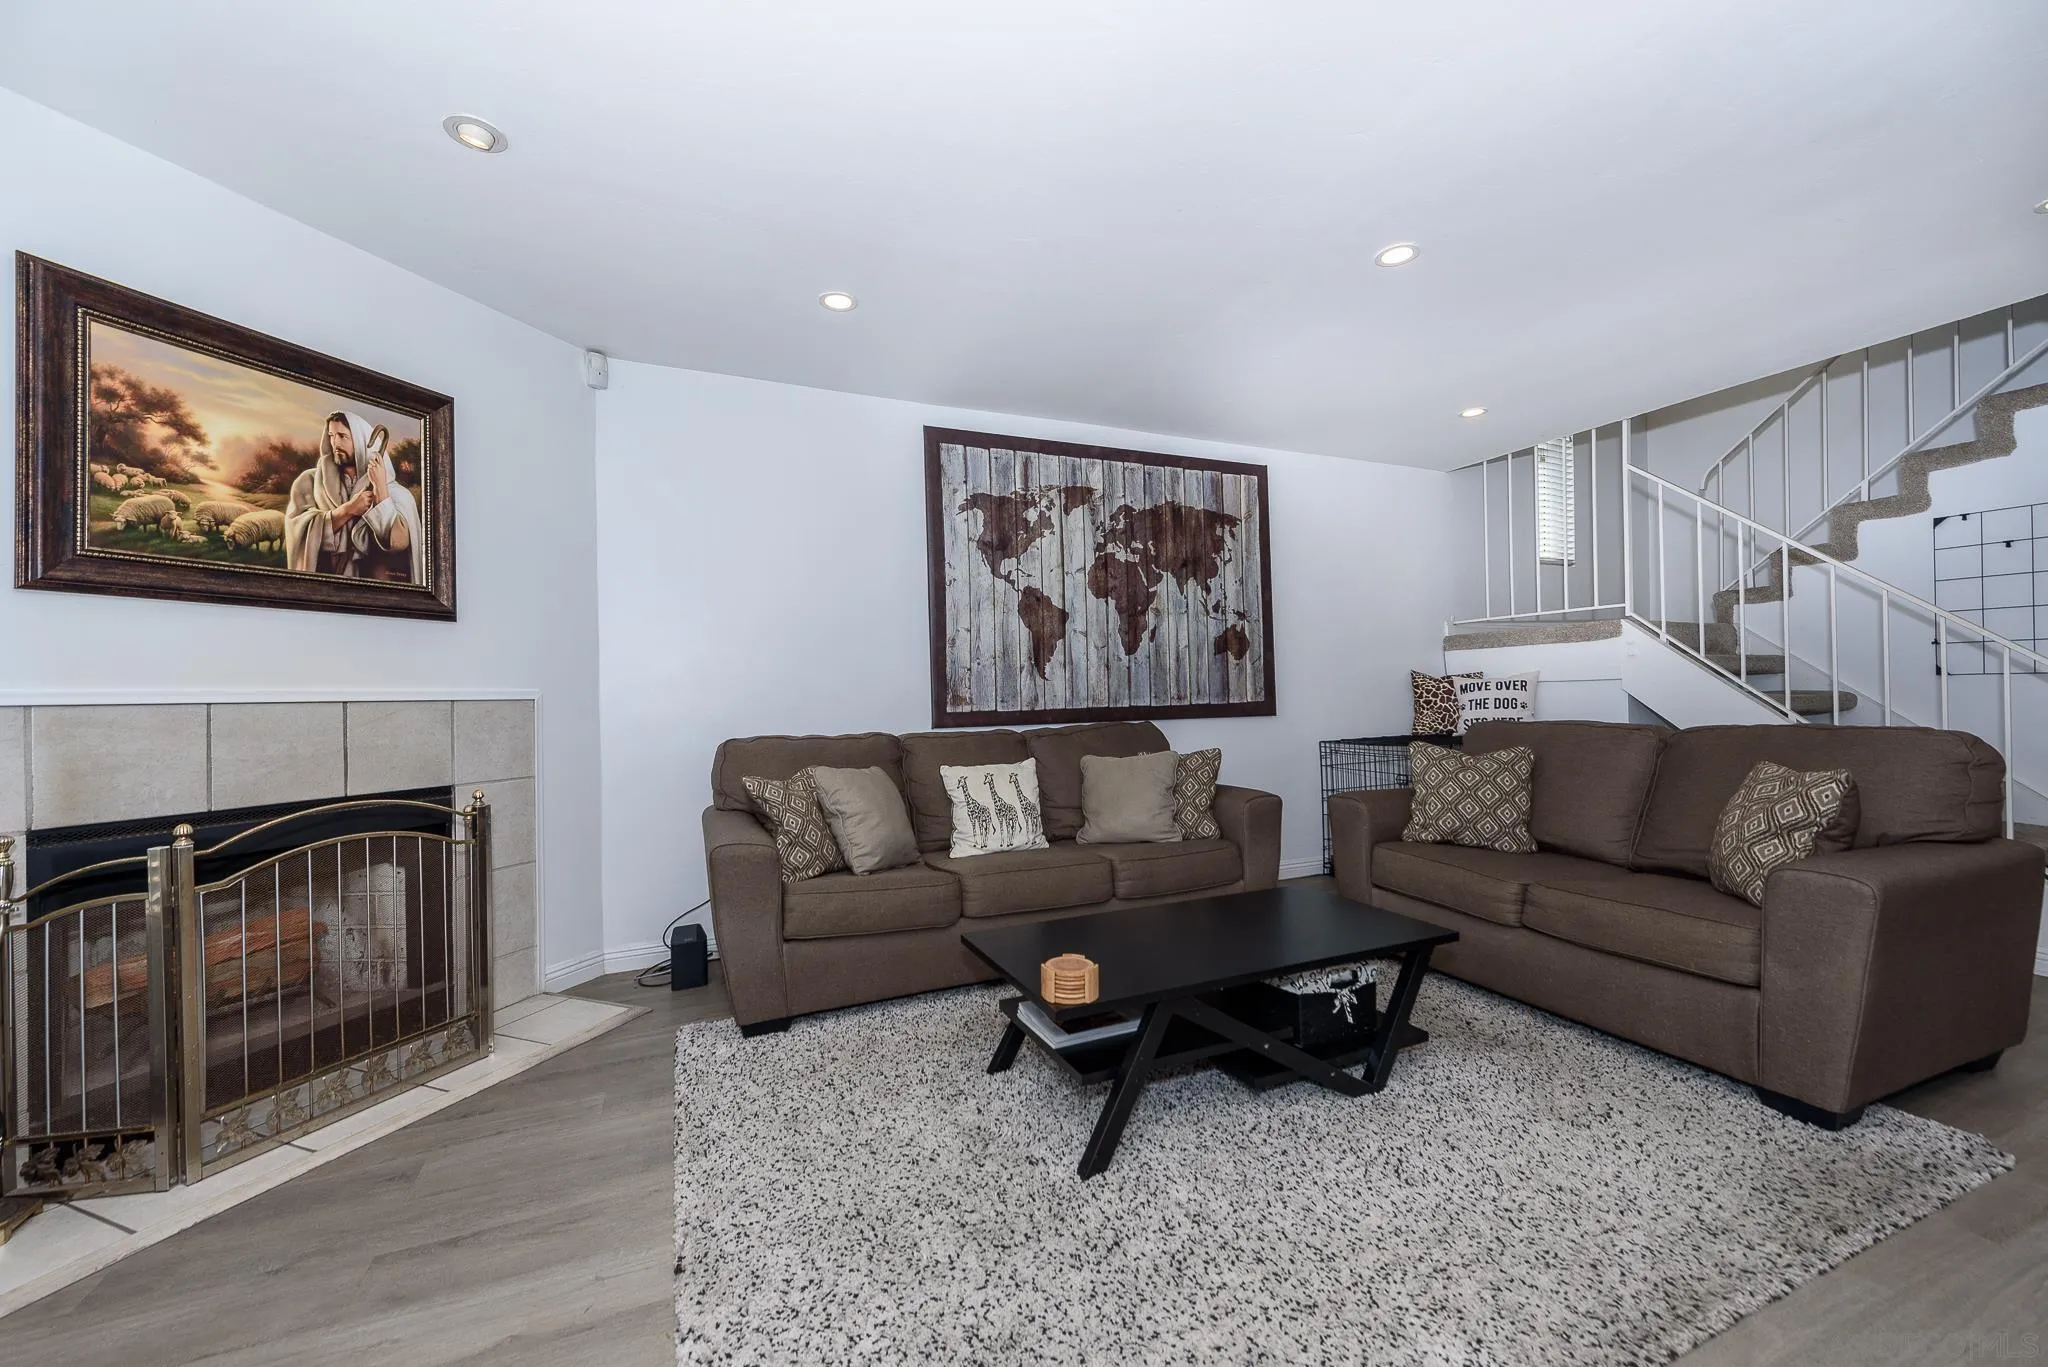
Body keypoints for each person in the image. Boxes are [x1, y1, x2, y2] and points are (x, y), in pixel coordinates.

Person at [283, 411, 423, 582]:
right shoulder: (309, 482)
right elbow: (296, 528)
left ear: (360, 442)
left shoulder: (397, 493)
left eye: (342, 436)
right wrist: (348, 510)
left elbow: (399, 543)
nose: (335, 443)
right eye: (331, 436)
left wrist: (380, 487)